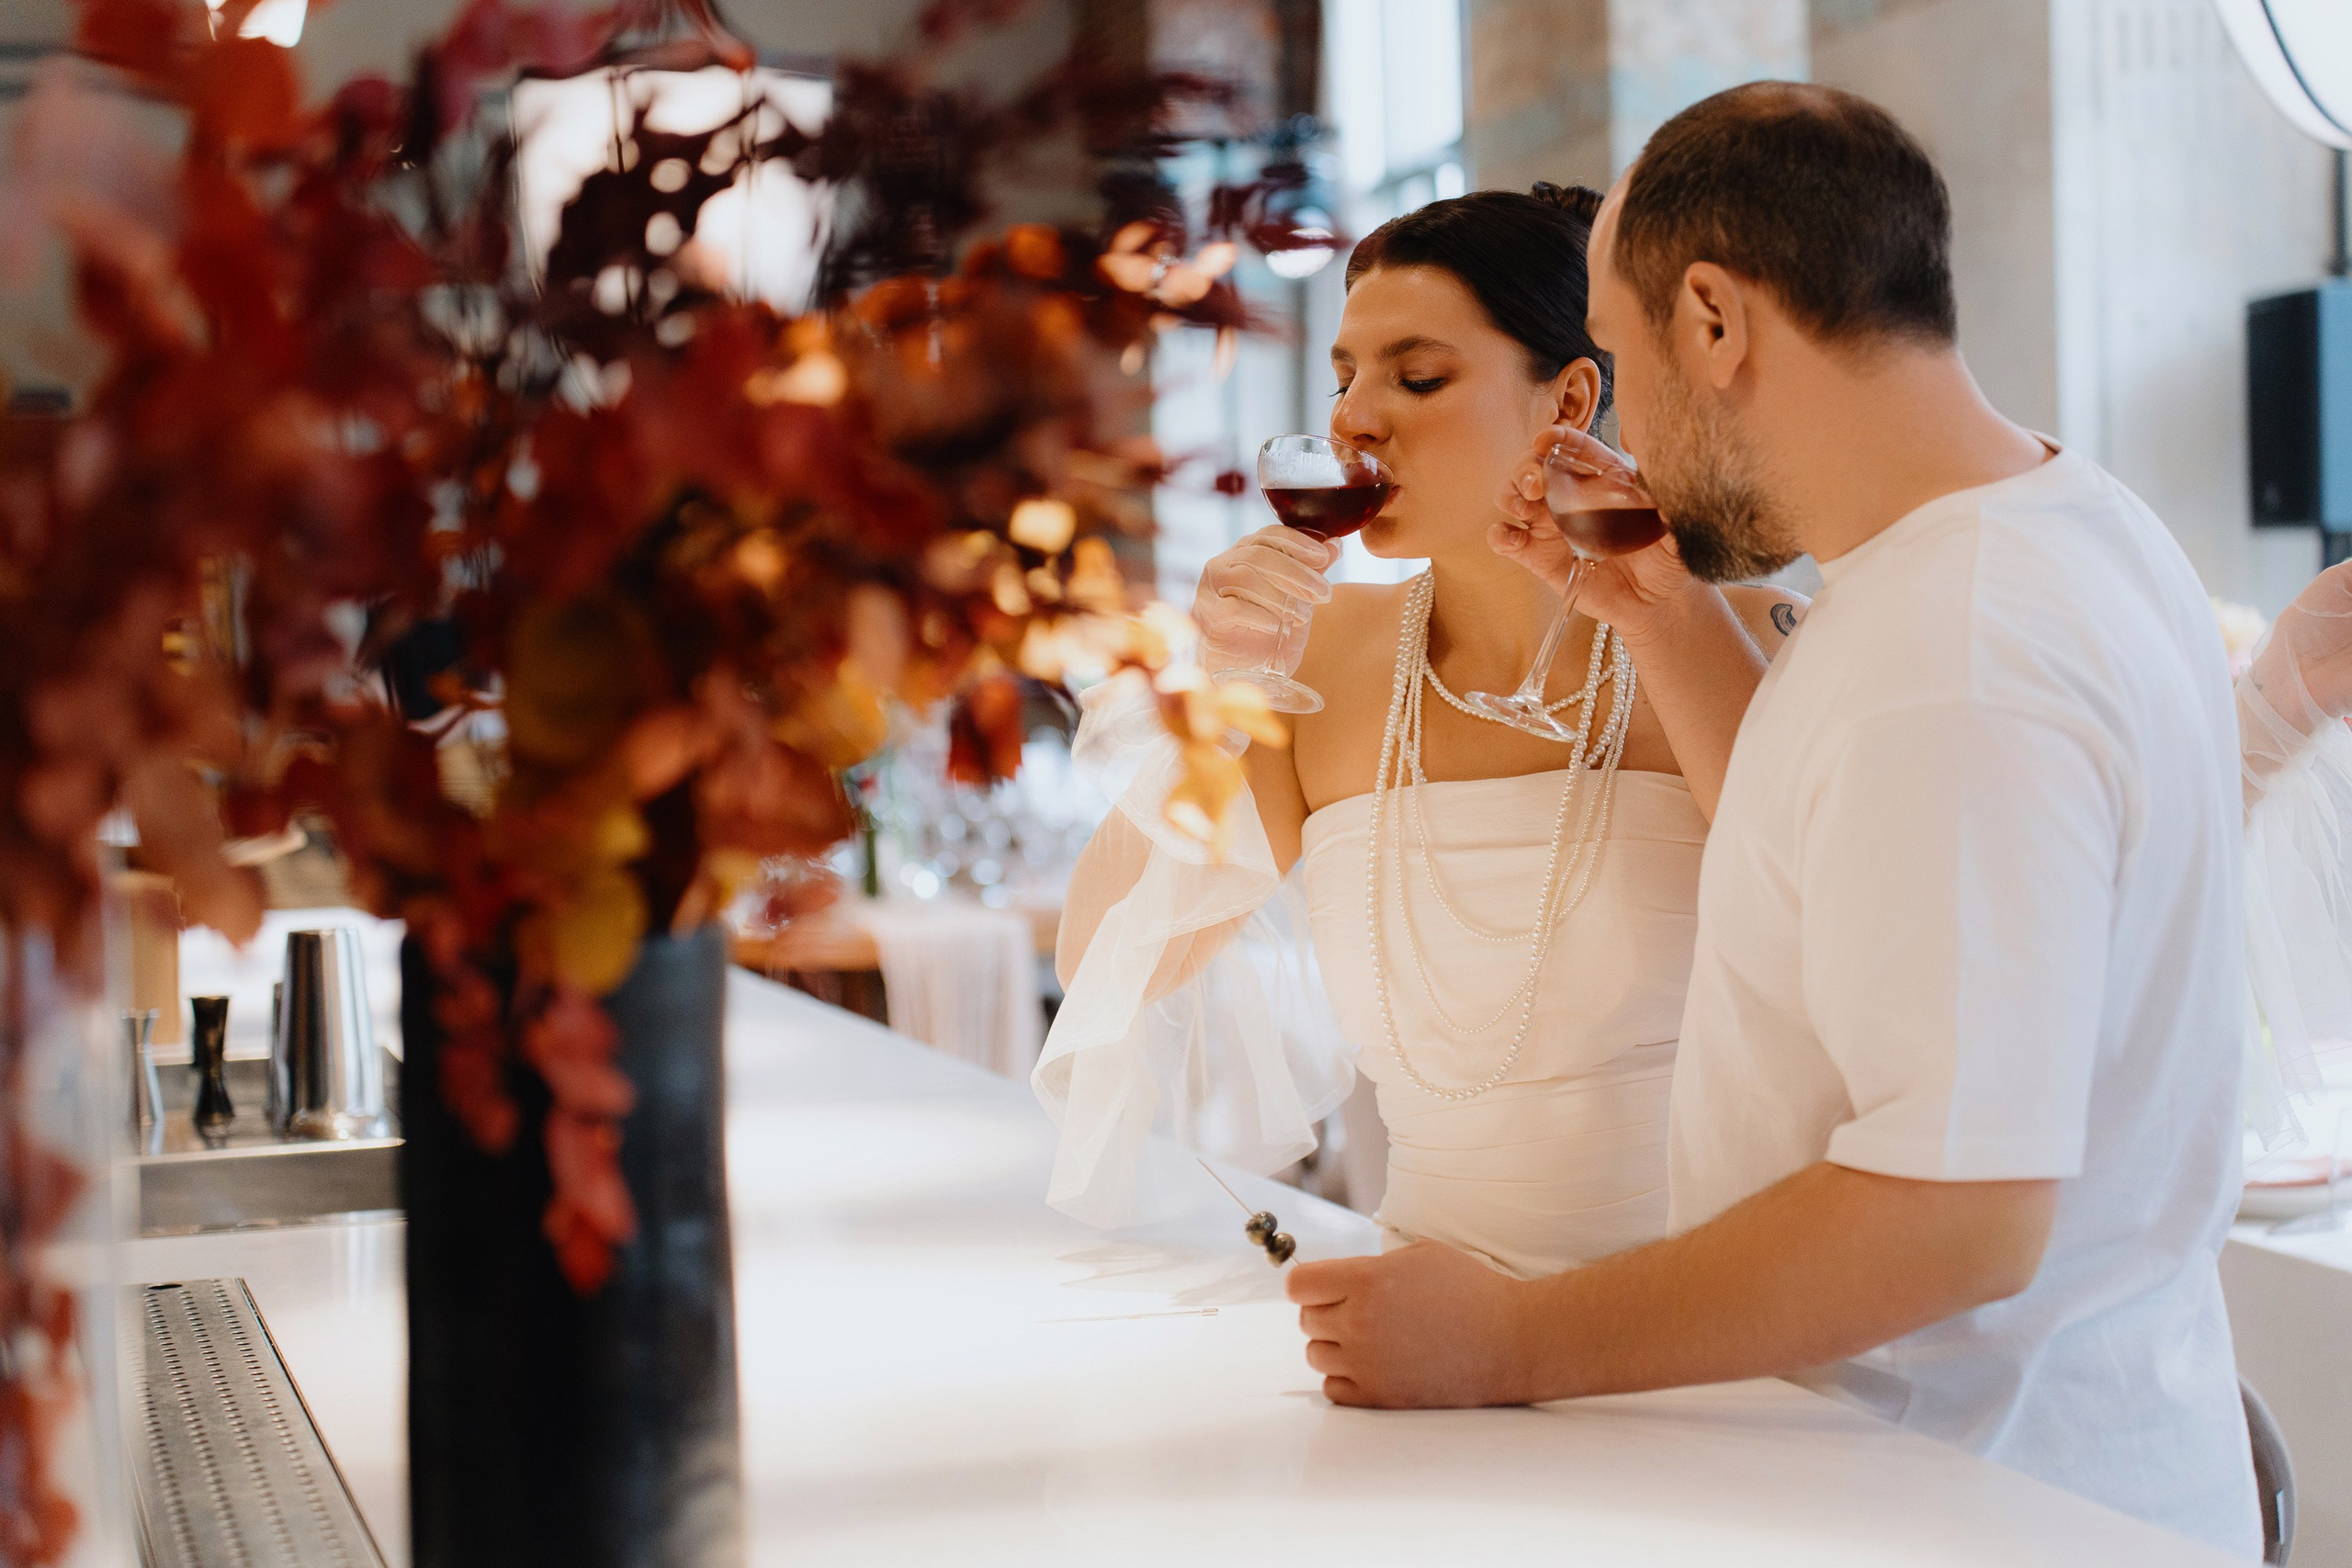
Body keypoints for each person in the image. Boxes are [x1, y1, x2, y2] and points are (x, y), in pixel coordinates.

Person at [1286, 82, 2261, 1558]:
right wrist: (1663, 612)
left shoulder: (1954, 655)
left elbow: (1957, 1215)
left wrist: (1507, 1340)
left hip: (1966, 1496)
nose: (1613, 409)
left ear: (1716, 323)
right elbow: (1824, 876)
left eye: (1617, 353)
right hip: (2030, 1458)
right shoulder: (2059, 521)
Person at [1034, 185, 1801, 1275]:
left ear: (1569, 397)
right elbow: (1109, 958)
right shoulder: (1321, 662)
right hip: (1420, 1336)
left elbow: (1830, 940)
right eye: (1343, 375)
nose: (1353, 417)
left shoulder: (1749, 638)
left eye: (1417, 375)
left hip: (1701, 1326)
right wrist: (1222, 695)